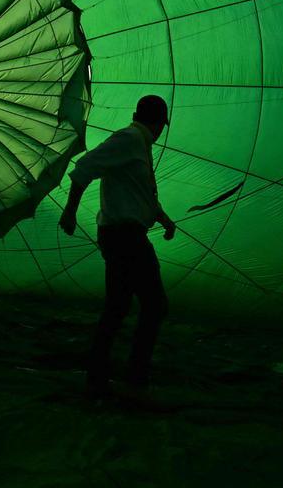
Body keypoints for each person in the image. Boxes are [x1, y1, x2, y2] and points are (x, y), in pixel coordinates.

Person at [58, 95, 175, 400]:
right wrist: (69, 211)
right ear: (160, 122)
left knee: (119, 306)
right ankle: (134, 376)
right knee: (153, 304)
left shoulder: (139, 143)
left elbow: (139, 190)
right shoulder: (129, 140)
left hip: (123, 233)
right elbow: (84, 167)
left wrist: (162, 218)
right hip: (124, 235)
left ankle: (99, 374)